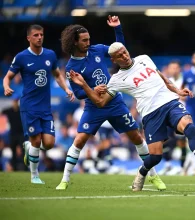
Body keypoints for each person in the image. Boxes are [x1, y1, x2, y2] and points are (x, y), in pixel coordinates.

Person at [69, 42, 195, 192]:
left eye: (125, 52)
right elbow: (100, 102)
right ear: (113, 60)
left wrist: (177, 91)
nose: (125, 56)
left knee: (190, 128)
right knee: (155, 157)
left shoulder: (144, 58)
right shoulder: (115, 80)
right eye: (119, 56)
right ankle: (142, 172)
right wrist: (84, 85)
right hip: (150, 114)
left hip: (170, 103)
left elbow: (163, 78)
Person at [56, 16, 165, 191]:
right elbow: (78, 93)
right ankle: (65, 179)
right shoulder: (71, 68)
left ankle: (153, 175)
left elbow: (119, 51)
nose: (88, 42)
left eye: (89, 39)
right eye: (84, 40)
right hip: (93, 107)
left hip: (114, 102)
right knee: (79, 140)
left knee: (136, 137)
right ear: (74, 42)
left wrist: (117, 29)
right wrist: (93, 90)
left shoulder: (97, 50)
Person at [3, 24, 74, 184]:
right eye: (35, 35)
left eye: (41, 34)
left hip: (45, 107)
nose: (39, 37)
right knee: (36, 141)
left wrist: (66, 89)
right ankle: (34, 175)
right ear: (29, 38)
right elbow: (7, 77)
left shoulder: (50, 55)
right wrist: (7, 86)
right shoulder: (21, 57)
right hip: (29, 106)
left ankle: (30, 148)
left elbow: (57, 75)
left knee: (48, 143)